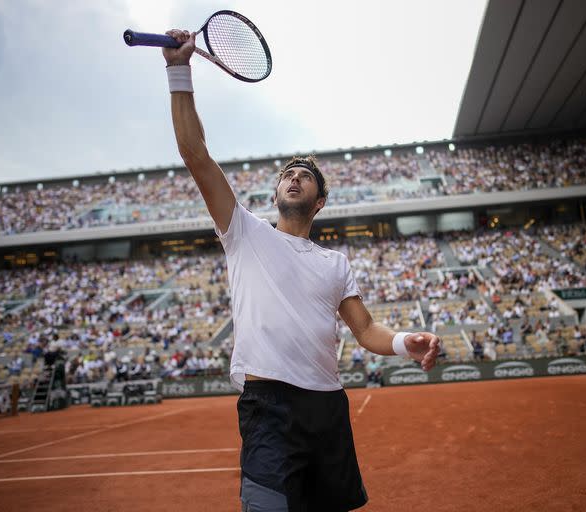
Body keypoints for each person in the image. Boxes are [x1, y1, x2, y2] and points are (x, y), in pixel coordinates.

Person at [161, 30, 441, 512]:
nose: (294, 177)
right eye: (287, 174)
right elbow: (195, 154)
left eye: (304, 175)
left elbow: (366, 328)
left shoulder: (335, 263)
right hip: (268, 403)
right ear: (275, 194)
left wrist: (403, 342)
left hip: (327, 406)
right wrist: (178, 70)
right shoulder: (243, 232)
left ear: (320, 200)